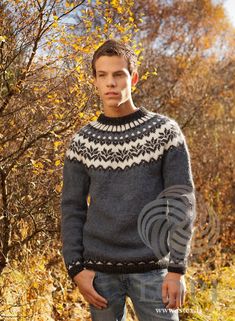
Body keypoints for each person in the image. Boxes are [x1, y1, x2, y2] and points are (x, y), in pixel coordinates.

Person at [60, 39, 196, 321]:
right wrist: (76, 269)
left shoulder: (164, 133)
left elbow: (181, 201)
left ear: (132, 78)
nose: (111, 83)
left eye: (119, 74)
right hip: (99, 274)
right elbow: (72, 208)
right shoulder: (82, 142)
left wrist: (176, 269)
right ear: (94, 81)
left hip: (155, 271)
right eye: (103, 75)